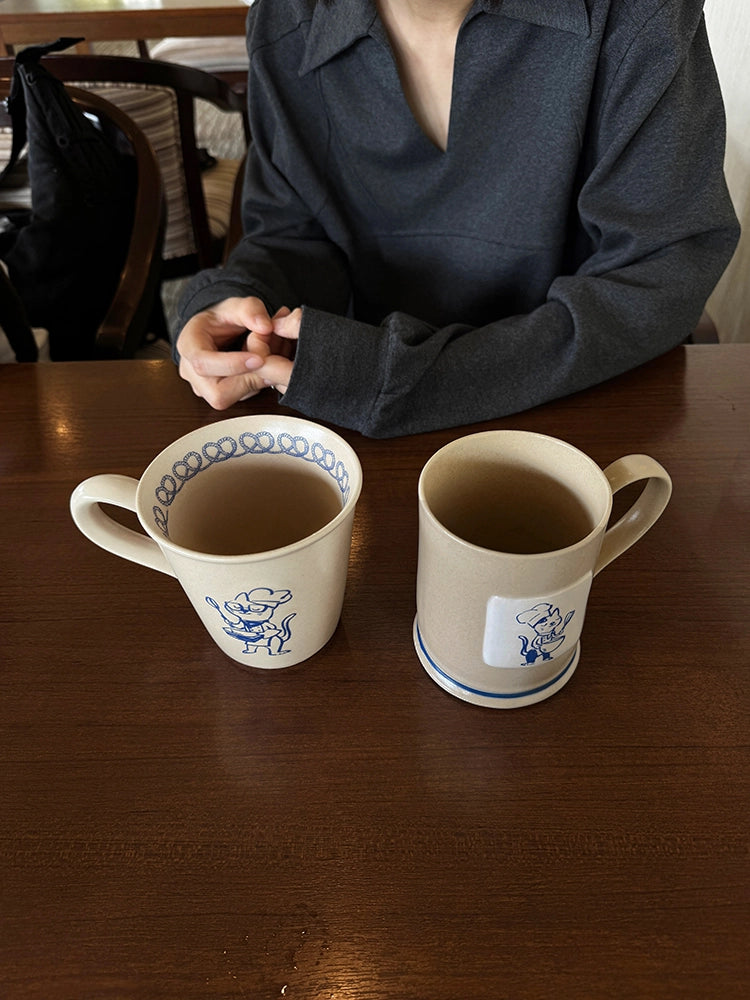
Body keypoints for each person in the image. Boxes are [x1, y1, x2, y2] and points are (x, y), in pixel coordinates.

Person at [173, 0, 739, 438]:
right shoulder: (284, 22)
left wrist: (398, 380)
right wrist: (234, 302)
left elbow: (658, 272)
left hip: (584, 412)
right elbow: (293, 234)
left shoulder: (639, 17)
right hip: (355, 426)